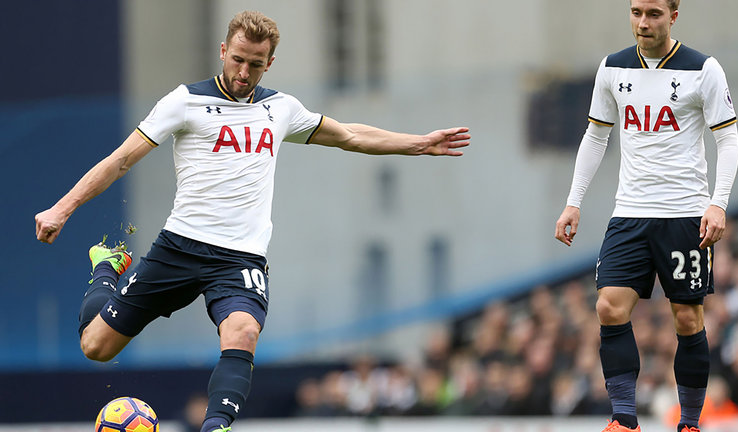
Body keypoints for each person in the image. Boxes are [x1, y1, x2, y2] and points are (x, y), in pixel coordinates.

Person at [34, 10, 470, 432]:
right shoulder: (185, 102)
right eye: (237, 59)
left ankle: (216, 427)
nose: (244, 72)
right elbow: (121, 160)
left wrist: (418, 143)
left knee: (242, 332)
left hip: (240, 258)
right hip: (180, 246)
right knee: (96, 347)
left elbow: (349, 135)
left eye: (255, 65)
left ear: (269, 63)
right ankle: (107, 265)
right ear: (223, 50)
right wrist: (62, 208)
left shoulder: (280, 109)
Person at [554, 1, 738, 431]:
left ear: (674, 15)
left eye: (654, 13)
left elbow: (727, 141)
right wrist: (573, 200)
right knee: (608, 306)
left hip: (685, 214)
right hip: (630, 213)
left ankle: (690, 423)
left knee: (687, 318)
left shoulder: (703, 69)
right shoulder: (613, 68)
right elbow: (596, 136)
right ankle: (624, 420)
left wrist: (719, 202)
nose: (643, 21)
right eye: (636, 11)